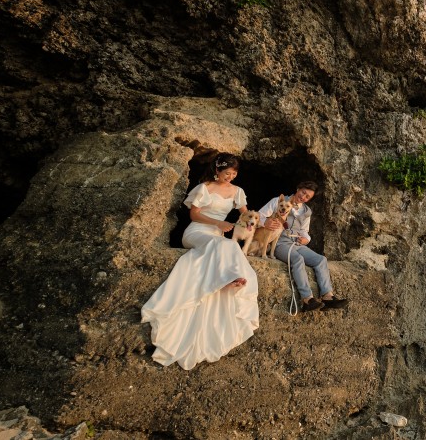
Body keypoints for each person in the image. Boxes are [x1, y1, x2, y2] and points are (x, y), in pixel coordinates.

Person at [141, 153, 260, 369]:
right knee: (221, 244)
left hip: (217, 236)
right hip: (197, 232)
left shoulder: (237, 191)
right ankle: (224, 279)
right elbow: (194, 215)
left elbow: (248, 214)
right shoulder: (204, 187)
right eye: (227, 173)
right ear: (217, 170)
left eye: (234, 174)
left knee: (229, 244)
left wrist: (265, 222)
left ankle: (232, 279)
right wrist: (219, 223)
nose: (230, 177)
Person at [257, 180, 348, 313]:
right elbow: (259, 216)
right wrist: (266, 222)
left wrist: (307, 239)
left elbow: (305, 230)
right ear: (298, 188)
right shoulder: (279, 201)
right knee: (297, 259)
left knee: (321, 260)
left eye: (307, 197)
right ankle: (307, 299)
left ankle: (327, 296)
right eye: (303, 192)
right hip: (279, 242)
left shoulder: (307, 211)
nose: (303, 197)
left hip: (296, 243)